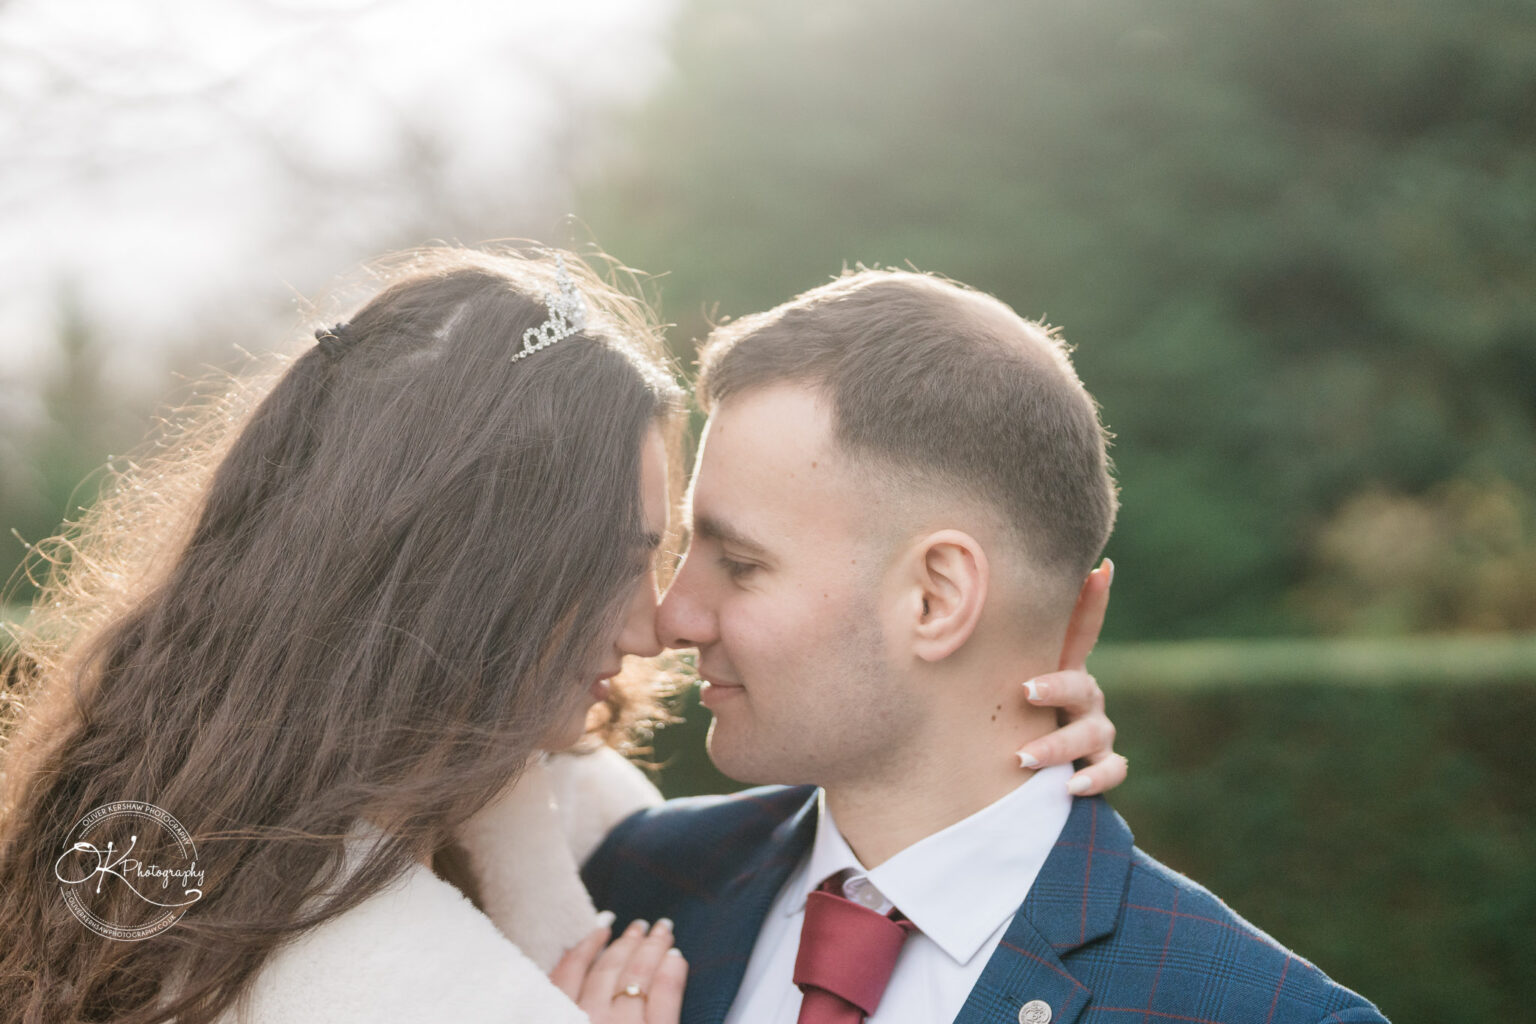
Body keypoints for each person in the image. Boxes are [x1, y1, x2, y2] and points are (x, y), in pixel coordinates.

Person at [0, 248, 1122, 1024]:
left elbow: (711, 837)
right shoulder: (335, 965)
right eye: (625, 560)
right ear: (477, 572)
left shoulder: (490, 800)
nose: (657, 622)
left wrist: (999, 764)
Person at [581, 270, 1391, 1024]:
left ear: (937, 598)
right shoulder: (640, 879)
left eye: (742, 564)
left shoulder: (1259, 1011)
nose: (670, 616)